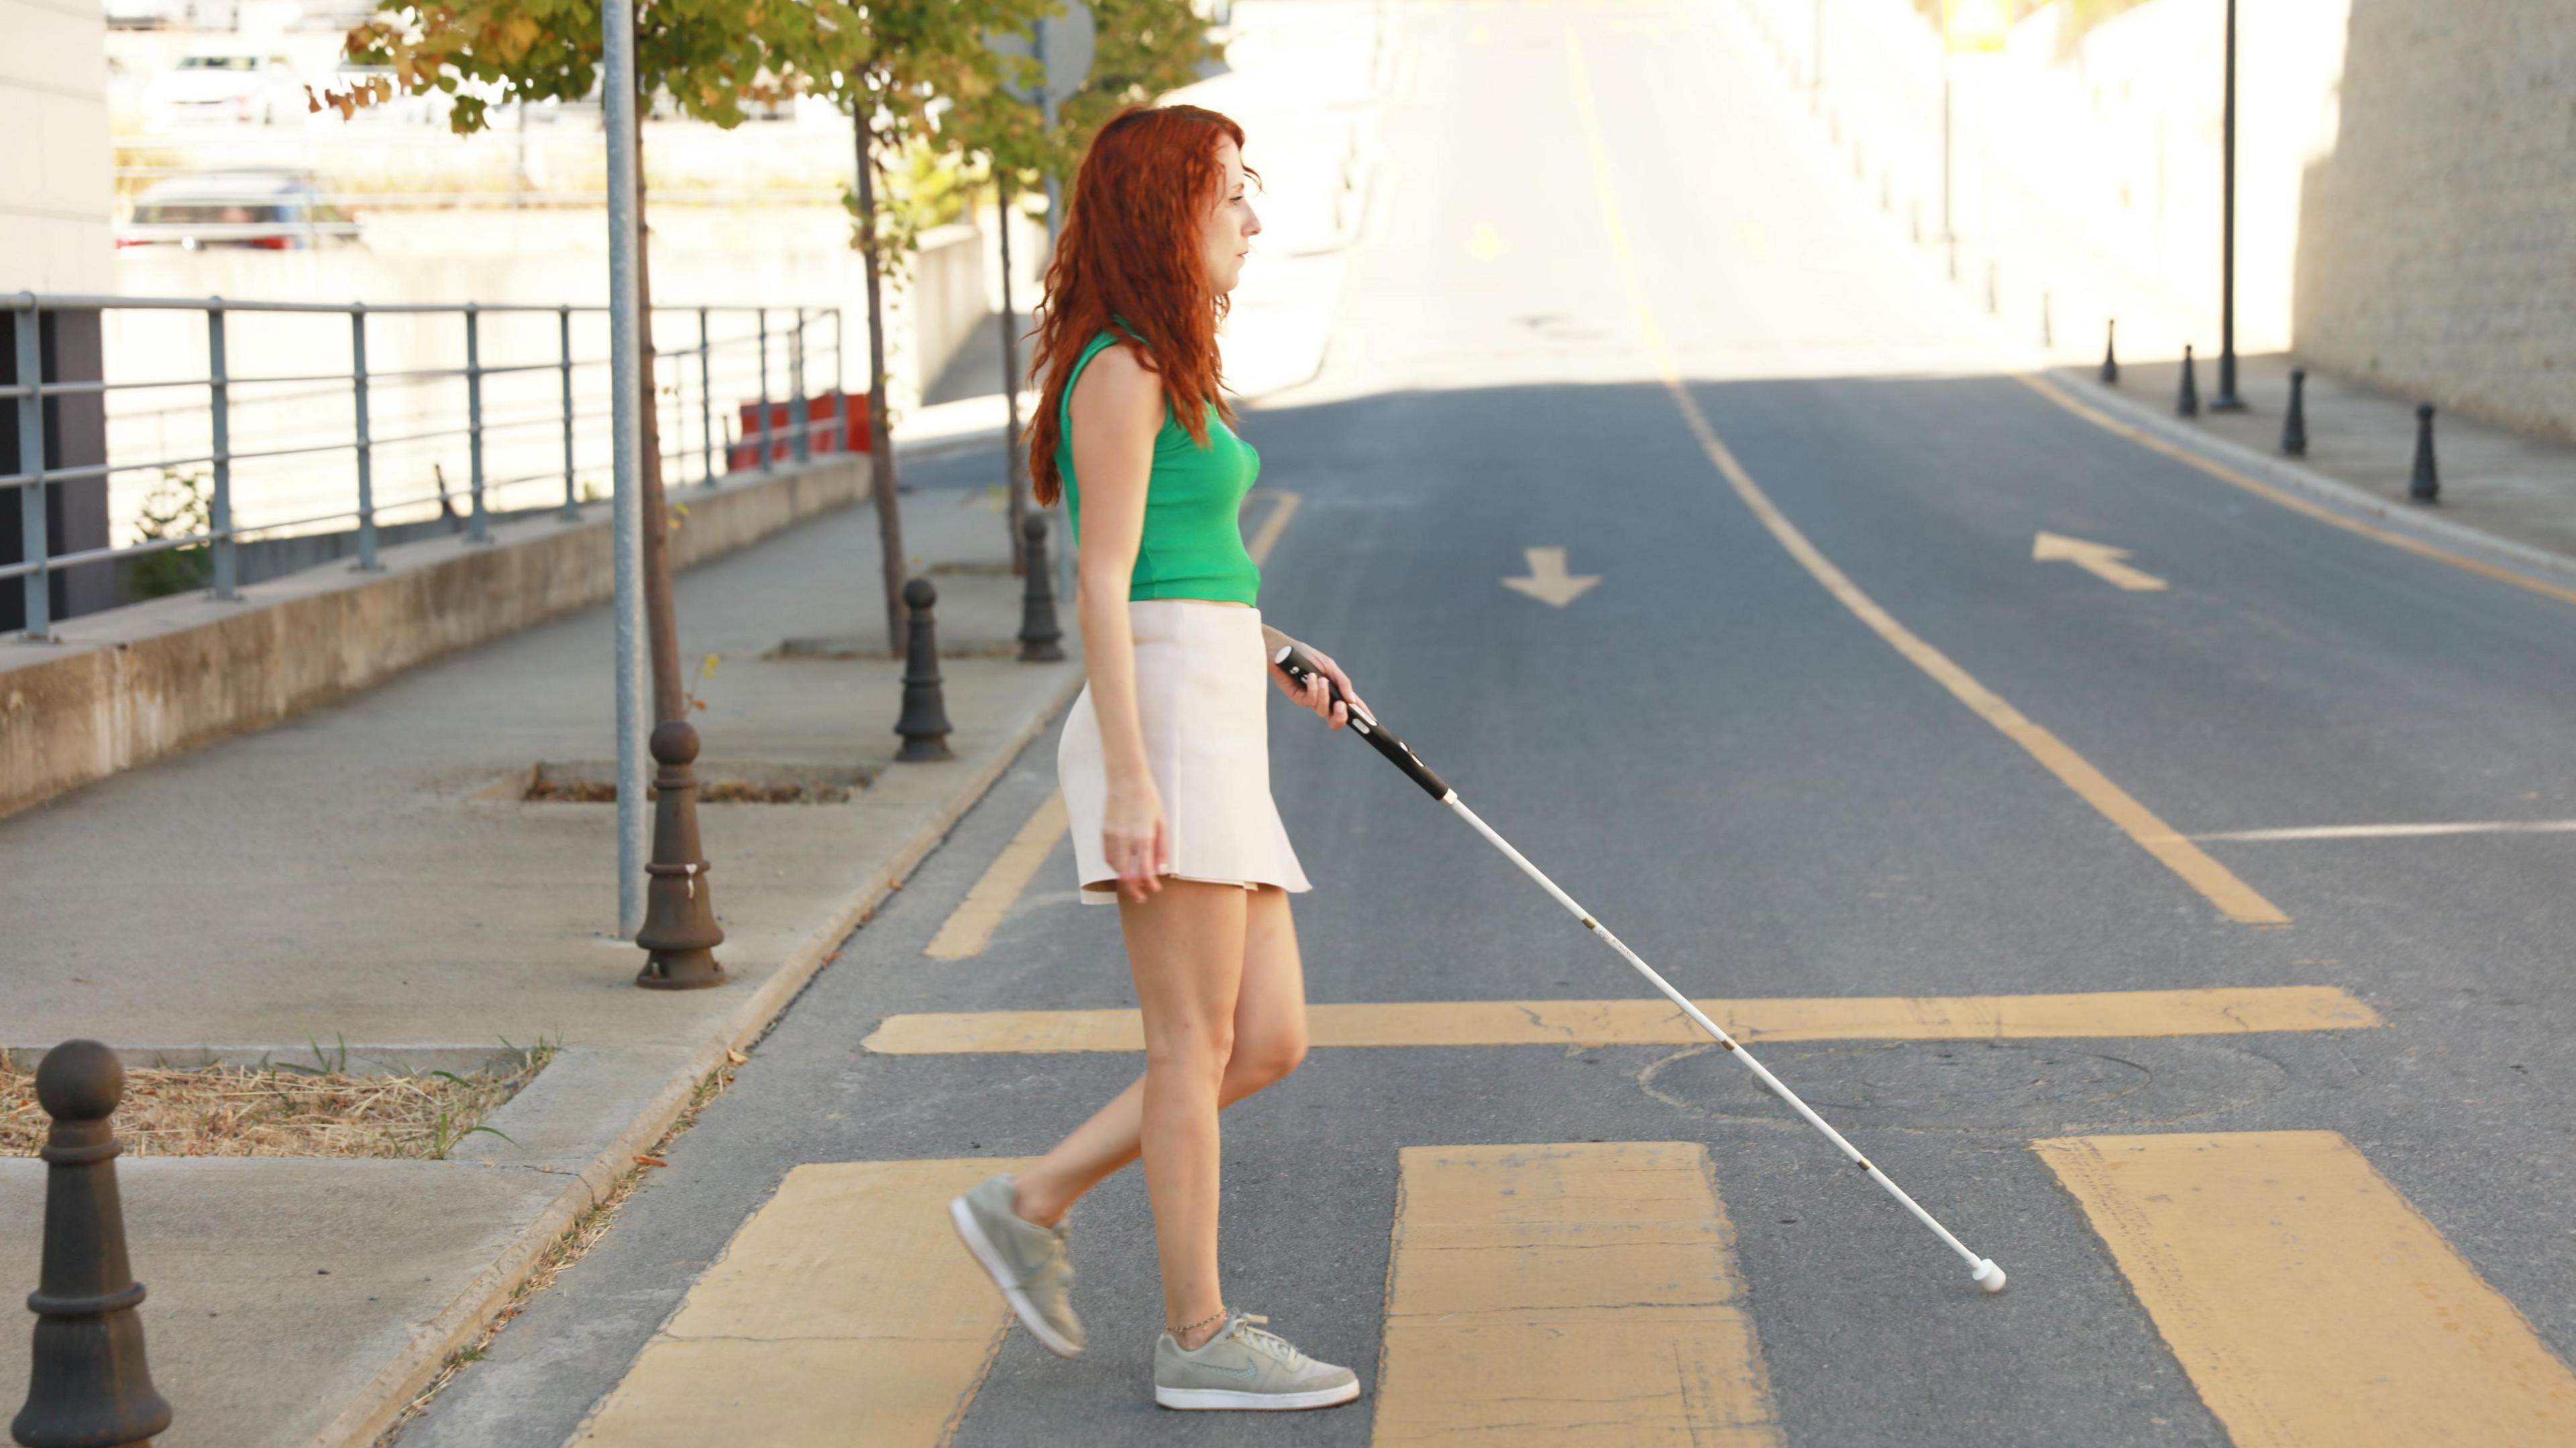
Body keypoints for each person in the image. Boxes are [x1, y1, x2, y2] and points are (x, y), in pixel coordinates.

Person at [947, 103, 1366, 1412]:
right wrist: (1129, 778)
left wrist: (1274, 644)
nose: (1254, 215)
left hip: (1211, 693)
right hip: (1167, 727)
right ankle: (1197, 1337)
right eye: (1232, 190)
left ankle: (1032, 1201)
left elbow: (1189, 573)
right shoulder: (1121, 368)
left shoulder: (1174, 363)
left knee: (1270, 1040)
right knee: (1192, 1046)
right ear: (1164, 208)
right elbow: (1107, 584)